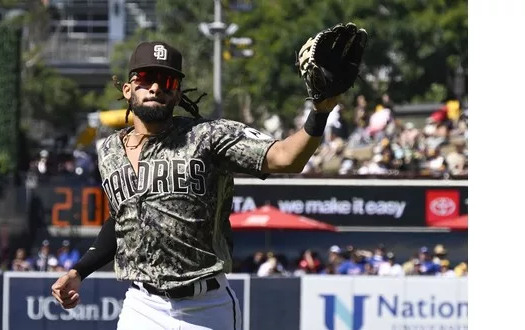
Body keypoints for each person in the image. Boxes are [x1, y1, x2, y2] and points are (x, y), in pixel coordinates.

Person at [50, 40, 344, 330]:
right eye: (146, 78)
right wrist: (79, 271)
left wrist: (320, 112)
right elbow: (121, 219)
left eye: (167, 80)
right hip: (142, 306)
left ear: (177, 94)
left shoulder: (208, 137)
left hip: (206, 308)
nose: (156, 87)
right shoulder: (110, 151)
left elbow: (286, 158)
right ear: (127, 89)